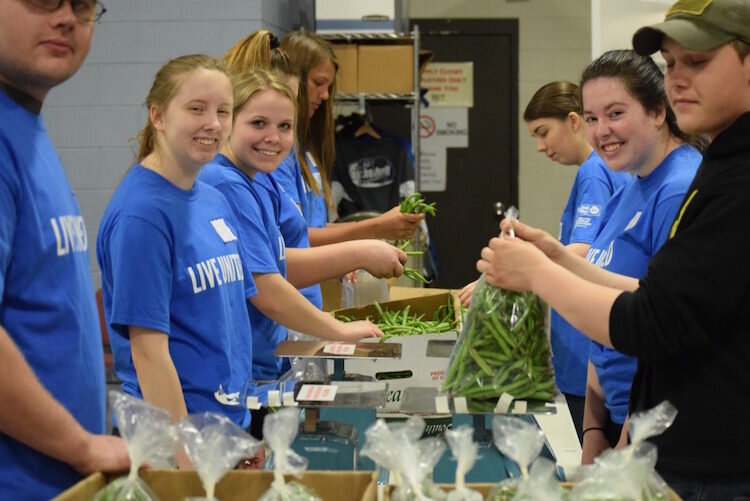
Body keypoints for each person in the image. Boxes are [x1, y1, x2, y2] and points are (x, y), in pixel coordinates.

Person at [478, 0, 750, 494]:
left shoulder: (712, 182)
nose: (679, 78)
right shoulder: (705, 168)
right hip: (659, 443)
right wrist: (555, 257)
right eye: (671, 64)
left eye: (699, 61)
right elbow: (655, 296)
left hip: (708, 464)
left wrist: (539, 273)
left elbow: (654, 319)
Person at [484, 49, 704, 464]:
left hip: (658, 431)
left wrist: (625, 446)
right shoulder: (630, 185)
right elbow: (602, 315)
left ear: (658, 112)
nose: (602, 130)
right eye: (591, 118)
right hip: (616, 419)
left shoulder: (677, 187)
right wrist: (593, 429)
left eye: (616, 113)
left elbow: (666, 314)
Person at [97, 55, 257, 466]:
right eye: (196, 109)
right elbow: (149, 354)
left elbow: (231, 323)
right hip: (171, 445)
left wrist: (237, 437)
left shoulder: (212, 197)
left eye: (223, 111)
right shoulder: (142, 215)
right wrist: (189, 460)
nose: (213, 123)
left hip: (223, 431)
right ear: (158, 116)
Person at [198, 69, 405, 383]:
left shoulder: (260, 177)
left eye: (285, 127)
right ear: (227, 121)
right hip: (237, 370)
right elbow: (265, 286)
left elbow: (278, 263)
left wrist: (351, 257)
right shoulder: (226, 184)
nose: (273, 137)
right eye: (258, 123)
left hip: (267, 356)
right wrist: (336, 327)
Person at [0, 0, 130, 498]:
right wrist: (82, 446)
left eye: (81, 4)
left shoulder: (24, 127)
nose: (66, 17)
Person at [278, 31, 425, 246]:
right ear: (293, 79)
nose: (326, 95)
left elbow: (314, 228)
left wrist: (349, 255)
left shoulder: (306, 149)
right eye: (318, 82)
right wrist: (376, 227)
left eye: (329, 87)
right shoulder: (278, 154)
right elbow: (293, 241)